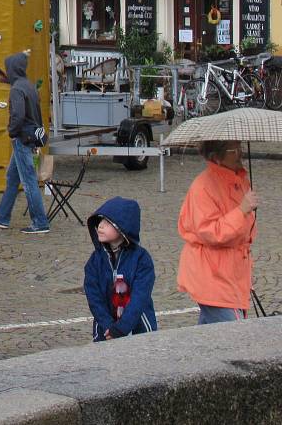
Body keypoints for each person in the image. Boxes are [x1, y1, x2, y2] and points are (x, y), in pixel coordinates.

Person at [177, 141, 258, 324]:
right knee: (233, 337)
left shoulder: (239, 180)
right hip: (212, 275)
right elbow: (211, 232)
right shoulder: (203, 187)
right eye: (233, 150)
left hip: (231, 273)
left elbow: (246, 233)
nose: (239, 154)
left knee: (210, 340)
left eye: (240, 148)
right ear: (216, 157)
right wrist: (241, 210)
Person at [0, 51, 49, 234]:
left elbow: (18, 115)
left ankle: (40, 222)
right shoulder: (29, 86)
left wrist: (12, 132)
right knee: (12, 178)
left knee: (28, 181)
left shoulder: (16, 89)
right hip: (30, 136)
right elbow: (37, 114)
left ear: (11, 69)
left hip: (22, 138)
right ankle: (2, 217)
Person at [83, 197, 157, 342]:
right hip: (105, 331)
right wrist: (108, 327)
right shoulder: (94, 261)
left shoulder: (141, 259)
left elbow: (140, 297)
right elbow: (94, 298)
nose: (100, 226)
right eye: (99, 222)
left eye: (107, 222)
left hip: (139, 329)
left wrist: (122, 328)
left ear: (123, 228)